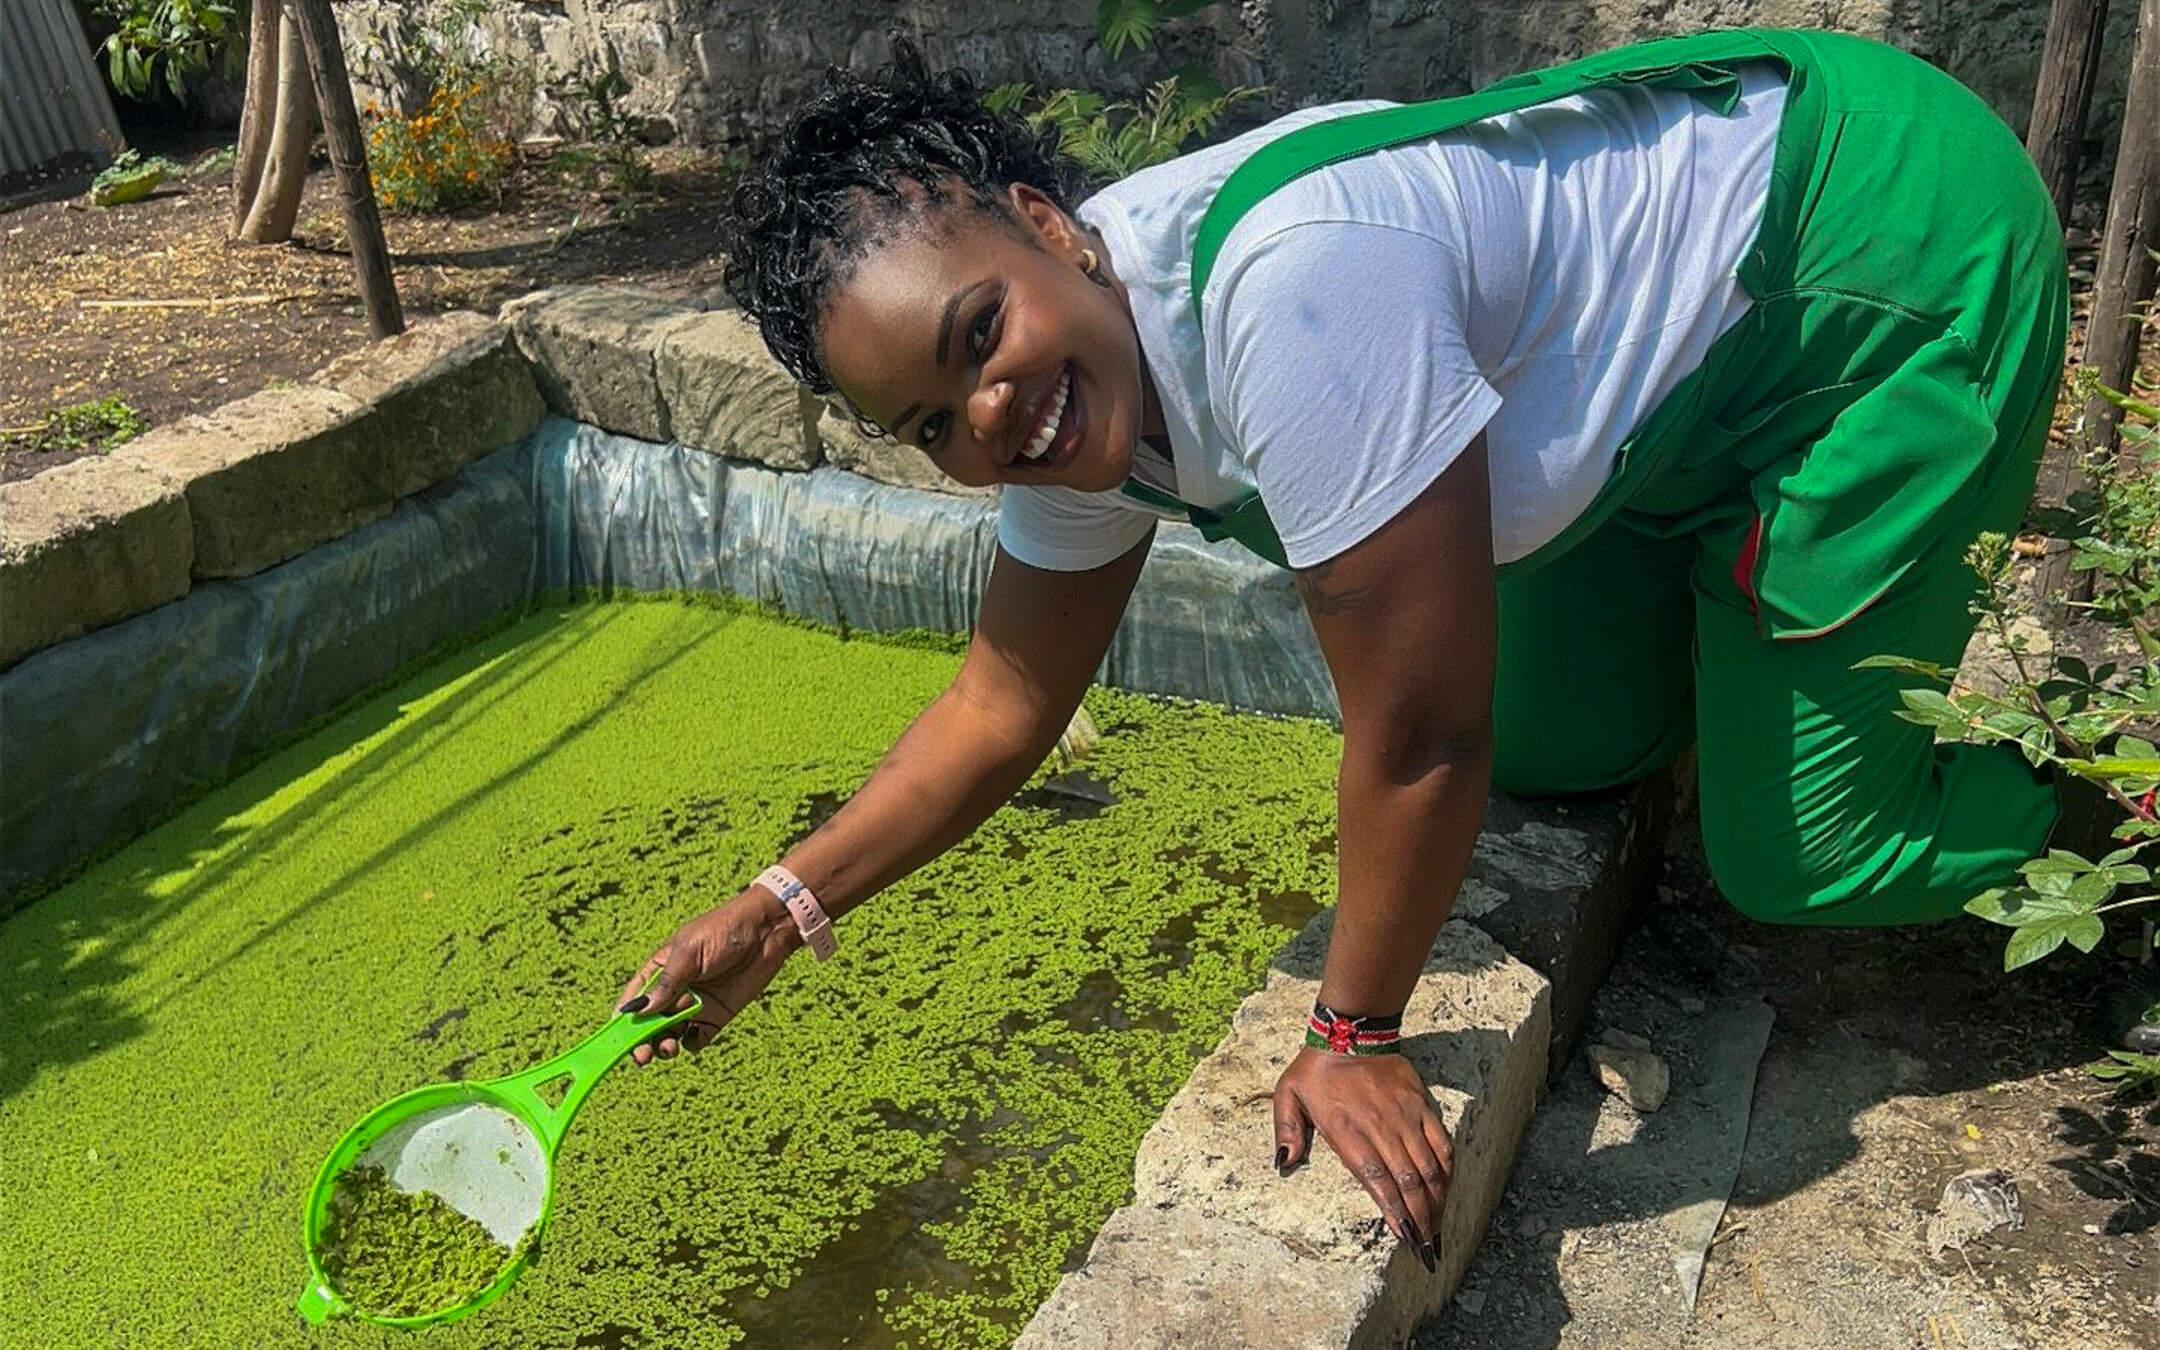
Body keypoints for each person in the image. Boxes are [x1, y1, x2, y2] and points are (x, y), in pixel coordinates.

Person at [614, 28, 2076, 1270]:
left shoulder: (1291, 294)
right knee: (1560, 745)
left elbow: (1422, 735)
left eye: (978, 333)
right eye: (933, 423)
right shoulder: (1075, 387)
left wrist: (1356, 1030)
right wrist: (781, 907)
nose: (989, 416)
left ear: (1049, 226)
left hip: (1866, 266)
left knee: (1807, 854)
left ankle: (2102, 815)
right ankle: (1747, 604)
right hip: (1679, 407)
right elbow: (1004, 699)